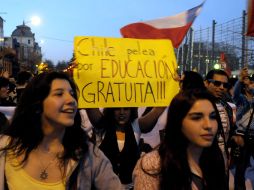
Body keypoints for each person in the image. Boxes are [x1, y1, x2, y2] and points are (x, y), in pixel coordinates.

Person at [0, 72, 122, 190]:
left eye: (72, 94)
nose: (71, 100)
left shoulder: (89, 156)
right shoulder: (4, 149)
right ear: (37, 105)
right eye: (59, 94)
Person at [133, 89, 227, 190]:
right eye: (196, 117)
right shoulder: (153, 166)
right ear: (178, 121)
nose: (208, 125)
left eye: (213, 117)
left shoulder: (216, 158)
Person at [86, 106, 165, 189]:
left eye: (126, 109)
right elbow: (90, 105)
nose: (122, 112)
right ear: (111, 110)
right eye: (117, 108)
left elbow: (157, 111)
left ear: (132, 110)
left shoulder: (136, 126)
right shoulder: (103, 126)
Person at [205, 69, 235, 173]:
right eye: (217, 83)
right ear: (206, 83)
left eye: (225, 85)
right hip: (204, 159)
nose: (221, 88)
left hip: (223, 159)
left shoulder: (227, 107)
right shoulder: (198, 104)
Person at [232, 67, 254, 189]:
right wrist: (240, 81)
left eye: (252, 82)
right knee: (241, 167)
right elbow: (235, 93)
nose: (251, 85)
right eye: (250, 82)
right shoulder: (240, 99)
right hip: (242, 136)